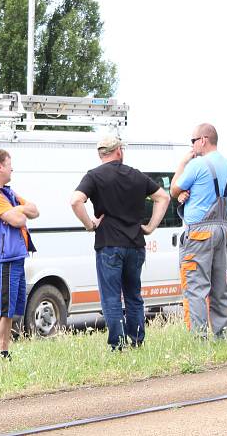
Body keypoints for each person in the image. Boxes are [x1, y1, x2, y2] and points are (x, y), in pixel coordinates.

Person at [70, 136, 170, 350]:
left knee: (111, 297)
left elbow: (75, 200)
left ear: (101, 154)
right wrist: (150, 227)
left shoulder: (94, 176)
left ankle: (117, 344)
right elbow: (163, 197)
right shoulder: (136, 175)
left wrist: (90, 224)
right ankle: (136, 341)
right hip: (135, 244)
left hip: (108, 244)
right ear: (119, 151)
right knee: (134, 295)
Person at [170, 123, 227, 339]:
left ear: (204, 139)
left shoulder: (197, 165)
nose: (192, 145)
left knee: (195, 288)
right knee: (219, 287)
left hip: (198, 233)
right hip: (222, 230)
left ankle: (198, 339)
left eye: (193, 140)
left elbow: (174, 188)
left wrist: (183, 162)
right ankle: (223, 337)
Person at [0, 148, 39, 359]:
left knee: (9, 310)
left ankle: (4, 351)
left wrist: (16, 209)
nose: (13, 168)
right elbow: (18, 220)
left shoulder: (7, 193)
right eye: (10, 164)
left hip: (14, 257)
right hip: (1, 259)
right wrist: (17, 212)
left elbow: (34, 210)